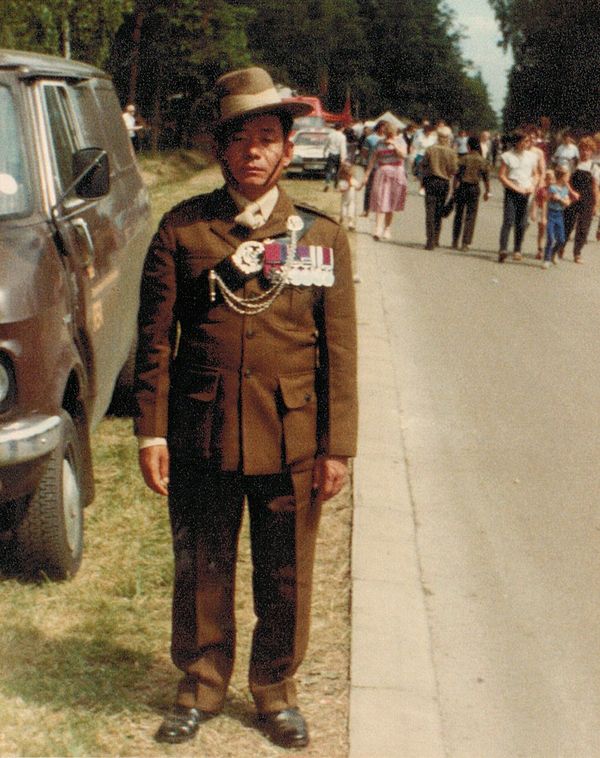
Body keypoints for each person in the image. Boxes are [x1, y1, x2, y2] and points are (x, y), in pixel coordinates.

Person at [133, 66, 358, 750]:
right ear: (219, 150)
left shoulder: (319, 239)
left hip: (291, 435)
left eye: (268, 138)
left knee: (286, 570)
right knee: (202, 564)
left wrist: (338, 445)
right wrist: (150, 434)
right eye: (242, 140)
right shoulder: (185, 231)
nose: (255, 152)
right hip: (201, 428)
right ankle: (200, 685)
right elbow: (154, 342)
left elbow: (340, 353)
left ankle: (275, 691)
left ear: (289, 151)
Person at [497, 129, 540, 262]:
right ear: (517, 142)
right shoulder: (508, 156)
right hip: (512, 191)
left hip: (526, 191)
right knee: (508, 221)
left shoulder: (531, 157)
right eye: (525, 141)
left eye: (528, 141)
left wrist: (533, 185)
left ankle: (517, 249)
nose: (527, 143)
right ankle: (503, 249)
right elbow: (502, 175)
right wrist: (515, 187)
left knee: (521, 223)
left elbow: (536, 174)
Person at [558, 135, 600, 263]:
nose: (585, 152)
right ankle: (561, 247)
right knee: (567, 223)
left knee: (584, 227)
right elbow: (566, 180)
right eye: (583, 149)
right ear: (579, 149)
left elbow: (595, 187)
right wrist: (567, 194)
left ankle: (577, 253)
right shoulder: (573, 163)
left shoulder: (594, 167)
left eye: (588, 150)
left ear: (592, 151)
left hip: (587, 199)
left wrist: (596, 204)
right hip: (572, 196)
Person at [363, 122, 408, 240]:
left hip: (397, 173)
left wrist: (395, 145)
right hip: (382, 173)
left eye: (390, 134)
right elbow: (372, 160)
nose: (388, 137)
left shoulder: (400, 141)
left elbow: (403, 156)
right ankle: (377, 229)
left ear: (394, 133)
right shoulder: (379, 143)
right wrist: (367, 175)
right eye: (386, 134)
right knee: (380, 200)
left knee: (391, 202)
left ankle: (387, 228)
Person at [421, 124, 458, 250]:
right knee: (438, 211)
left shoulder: (430, 149)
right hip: (444, 183)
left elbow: (423, 165)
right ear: (448, 138)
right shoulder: (452, 152)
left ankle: (429, 240)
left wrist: (422, 179)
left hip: (431, 181)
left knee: (429, 212)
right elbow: (454, 170)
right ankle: (436, 238)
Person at [451, 136, 490, 252]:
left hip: (462, 187)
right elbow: (486, 178)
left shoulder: (463, 159)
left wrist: (454, 189)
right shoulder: (483, 161)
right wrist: (488, 191)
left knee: (458, 215)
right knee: (471, 216)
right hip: (474, 189)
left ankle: (455, 240)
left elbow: (456, 176)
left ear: (468, 146)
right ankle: (465, 243)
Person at [542, 165, 573, 269]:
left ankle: (553, 254)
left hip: (559, 215)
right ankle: (546, 259)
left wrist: (561, 199)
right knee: (550, 238)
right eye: (567, 176)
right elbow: (546, 201)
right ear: (562, 177)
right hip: (551, 214)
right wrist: (544, 217)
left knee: (561, 240)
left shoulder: (565, 189)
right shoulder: (552, 187)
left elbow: (567, 202)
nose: (568, 179)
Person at [360, 120, 386, 214]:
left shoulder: (387, 139)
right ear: (379, 127)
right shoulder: (370, 139)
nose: (385, 129)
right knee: (369, 188)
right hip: (372, 166)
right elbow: (364, 152)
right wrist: (368, 162)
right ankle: (366, 209)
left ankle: (379, 207)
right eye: (383, 127)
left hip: (384, 167)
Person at [531, 169, 554, 259]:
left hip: (553, 212)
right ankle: (540, 249)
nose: (550, 181)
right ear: (545, 180)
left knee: (551, 233)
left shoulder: (556, 190)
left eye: (552, 179)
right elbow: (536, 201)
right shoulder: (542, 190)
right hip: (542, 212)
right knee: (541, 231)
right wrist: (534, 212)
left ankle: (550, 250)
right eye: (548, 179)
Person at [337, 161, 362, 230]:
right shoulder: (348, 180)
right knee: (348, 207)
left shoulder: (347, 180)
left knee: (346, 207)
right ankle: (347, 221)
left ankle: (345, 220)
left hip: (348, 199)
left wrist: (361, 184)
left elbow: (358, 187)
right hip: (348, 198)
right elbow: (358, 187)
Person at [322, 122, 347, 191]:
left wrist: (324, 152)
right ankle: (336, 186)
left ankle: (327, 183)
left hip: (331, 154)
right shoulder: (342, 136)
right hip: (338, 155)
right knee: (337, 171)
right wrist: (343, 158)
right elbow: (343, 148)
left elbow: (326, 145)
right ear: (341, 128)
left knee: (328, 170)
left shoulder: (330, 135)